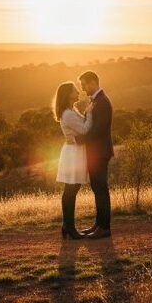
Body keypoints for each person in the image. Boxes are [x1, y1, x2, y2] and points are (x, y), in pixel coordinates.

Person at [75, 70, 114, 239]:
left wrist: (80, 139)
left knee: (101, 189)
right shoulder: (95, 101)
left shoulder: (103, 102)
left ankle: (104, 228)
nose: (83, 89)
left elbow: (98, 130)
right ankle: (98, 225)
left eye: (84, 85)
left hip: (100, 152)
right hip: (94, 153)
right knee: (97, 188)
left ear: (92, 82)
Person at [52, 81, 93, 239]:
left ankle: (67, 226)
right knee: (71, 190)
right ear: (68, 95)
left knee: (71, 190)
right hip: (73, 154)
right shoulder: (68, 114)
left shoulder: (71, 110)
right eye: (75, 90)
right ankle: (69, 228)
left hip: (75, 151)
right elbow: (84, 129)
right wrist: (90, 113)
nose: (78, 92)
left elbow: (81, 130)